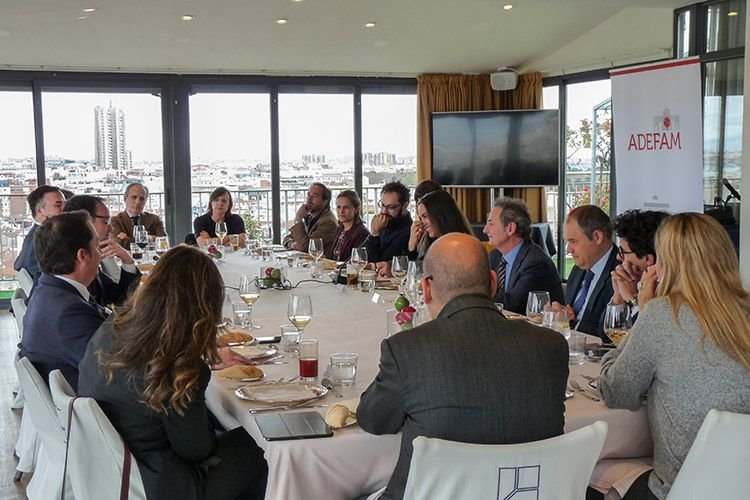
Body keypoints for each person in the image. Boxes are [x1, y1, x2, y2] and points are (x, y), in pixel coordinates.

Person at [358, 233, 569, 500]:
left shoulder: (408, 349)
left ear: (426, 289)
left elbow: (374, 420)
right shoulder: (551, 345)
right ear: (493, 283)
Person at [78, 246, 268, 500]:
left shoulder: (114, 326)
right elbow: (195, 449)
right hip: (157, 484)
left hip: (109, 468)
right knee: (257, 446)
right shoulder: (179, 367)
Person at [598, 213, 750, 500]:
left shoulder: (663, 314)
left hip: (680, 490)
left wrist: (643, 312)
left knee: (595, 475)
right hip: (743, 486)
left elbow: (616, 392)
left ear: (666, 264)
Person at [19, 211, 107, 390]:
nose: (100, 254)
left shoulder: (47, 289)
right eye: (97, 247)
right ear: (82, 256)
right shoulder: (71, 313)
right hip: (89, 398)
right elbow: (112, 371)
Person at [483, 197, 563, 314]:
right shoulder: (495, 256)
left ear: (510, 228)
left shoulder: (536, 263)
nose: (485, 230)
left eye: (491, 224)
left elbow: (513, 305)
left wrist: (478, 291)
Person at [551, 205, 617, 341]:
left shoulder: (620, 272)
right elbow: (568, 312)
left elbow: (612, 331)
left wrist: (571, 323)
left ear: (597, 237)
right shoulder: (579, 269)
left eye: (573, 241)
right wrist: (559, 312)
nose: (568, 250)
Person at [64, 195, 141, 308]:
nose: (111, 229)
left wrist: (127, 260)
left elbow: (120, 298)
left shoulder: (88, 256)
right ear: (85, 222)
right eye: (105, 222)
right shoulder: (71, 264)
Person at [610, 210, 669, 320]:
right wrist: (618, 297)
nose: (618, 257)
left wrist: (632, 299)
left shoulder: (667, 293)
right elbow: (609, 330)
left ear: (648, 258)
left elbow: (647, 329)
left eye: (623, 252)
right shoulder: (634, 283)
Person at [14, 185, 65, 282]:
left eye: (64, 204)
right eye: (58, 205)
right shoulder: (47, 239)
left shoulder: (34, 234)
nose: (65, 209)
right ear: (39, 210)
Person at [409, 189, 473, 263]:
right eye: (421, 218)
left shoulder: (461, 245)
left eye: (425, 216)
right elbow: (416, 268)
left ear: (440, 215)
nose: (422, 223)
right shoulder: (429, 242)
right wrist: (412, 246)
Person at [366, 182, 413, 277]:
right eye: (382, 205)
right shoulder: (385, 224)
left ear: (405, 205)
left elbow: (377, 264)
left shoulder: (408, 230)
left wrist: (375, 234)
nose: (384, 211)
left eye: (390, 207)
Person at [282, 182, 337, 259]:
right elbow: (287, 238)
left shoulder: (328, 222)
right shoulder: (310, 217)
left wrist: (298, 220)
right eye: (308, 195)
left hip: (321, 264)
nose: (309, 199)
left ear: (325, 201)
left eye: (315, 196)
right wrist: (292, 244)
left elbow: (306, 248)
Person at [111, 182, 166, 246]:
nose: (137, 202)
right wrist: (151, 238)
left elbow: (164, 242)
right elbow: (120, 244)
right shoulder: (115, 221)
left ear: (145, 201)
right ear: (125, 198)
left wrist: (128, 239)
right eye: (134, 197)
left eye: (142, 199)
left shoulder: (154, 220)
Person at [408, 179, 443, 262]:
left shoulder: (449, 238)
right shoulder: (421, 230)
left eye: (425, 215)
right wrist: (412, 246)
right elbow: (415, 266)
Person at [331, 190, 370, 262]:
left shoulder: (362, 232)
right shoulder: (340, 228)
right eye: (338, 207)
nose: (341, 211)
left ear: (356, 209)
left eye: (346, 207)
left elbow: (356, 261)